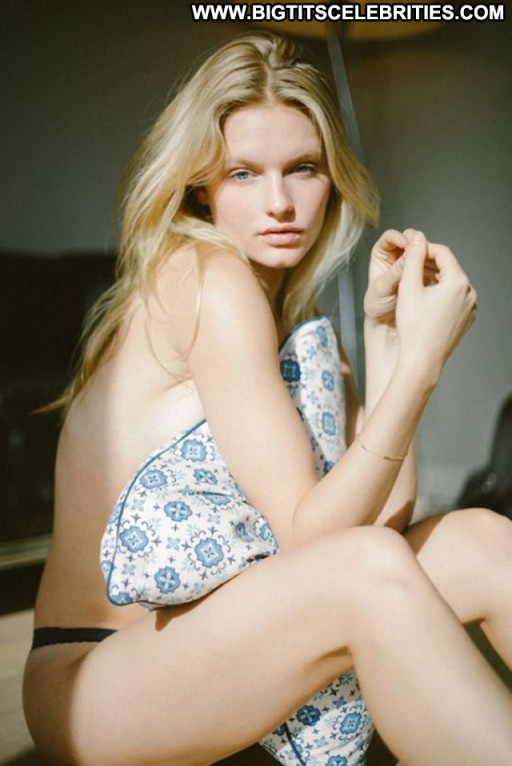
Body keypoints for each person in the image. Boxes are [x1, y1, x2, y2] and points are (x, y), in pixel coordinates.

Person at [23, 32, 512, 766]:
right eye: (244, 173)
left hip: (220, 632)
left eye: (303, 168)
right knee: (364, 569)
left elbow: (382, 514)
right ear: (201, 185)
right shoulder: (207, 279)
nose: (279, 203)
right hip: (98, 674)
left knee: (481, 539)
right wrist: (424, 364)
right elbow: (322, 545)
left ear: (331, 176)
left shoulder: (298, 325)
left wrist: (386, 337)